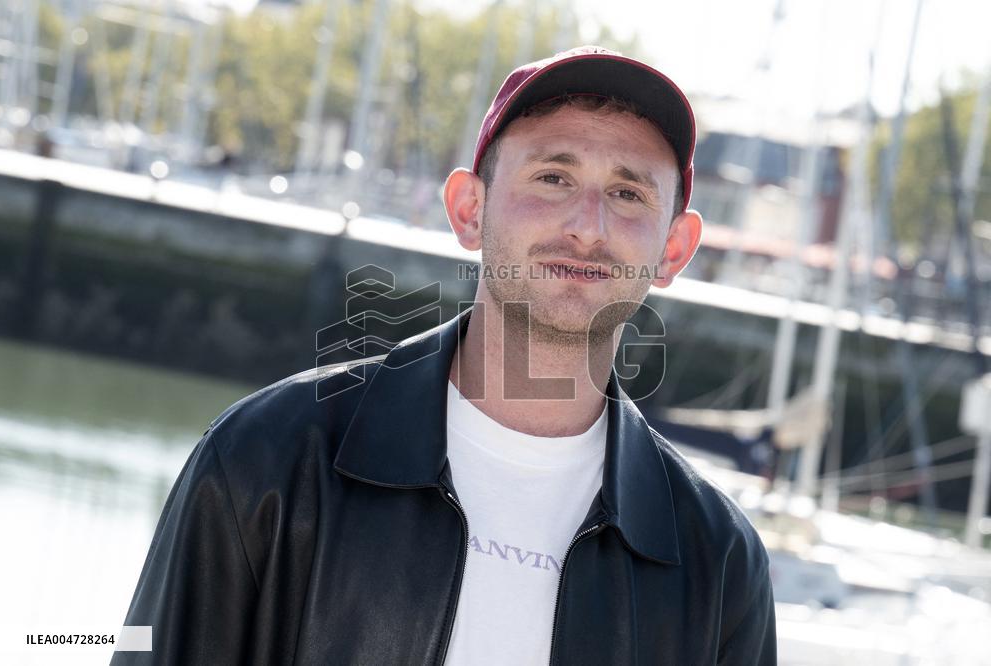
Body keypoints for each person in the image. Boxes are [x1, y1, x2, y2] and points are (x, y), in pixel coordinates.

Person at [113, 45, 776, 665]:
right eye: (552, 176)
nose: (586, 226)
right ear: (468, 209)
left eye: (628, 193)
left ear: (674, 249)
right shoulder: (267, 462)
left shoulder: (718, 562)